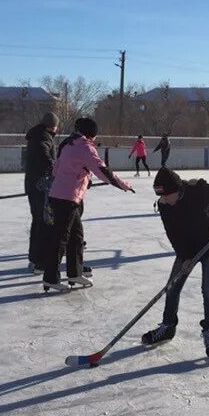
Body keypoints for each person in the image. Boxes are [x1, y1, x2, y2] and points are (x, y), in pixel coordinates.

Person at [142, 168, 209, 357]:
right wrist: (185, 256)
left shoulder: (199, 190)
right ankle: (168, 326)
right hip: (187, 249)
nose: (165, 200)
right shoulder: (164, 205)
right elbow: (173, 234)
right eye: (161, 196)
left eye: (168, 195)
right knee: (172, 286)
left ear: (178, 189)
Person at [40, 117, 134, 292]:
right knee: (61, 238)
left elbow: (57, 170)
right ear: (91, 134)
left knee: (76, 236)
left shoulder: (68, 144)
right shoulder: (85, 148)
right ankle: (50, 278)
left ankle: (74, 272)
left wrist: (82, 177)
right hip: (66, 198)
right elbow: (103, 171)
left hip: (63, 196)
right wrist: (124, 185)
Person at [23, 112, 58, 273]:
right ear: (52, 125)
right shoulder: (43, 136)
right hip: (40, 186)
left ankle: (35, 258)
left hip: (35, 184)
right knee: (42, 222)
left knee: (39, 220)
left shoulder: (37, 134)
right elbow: (44, 155)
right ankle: (38, 261)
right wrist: (55, 168)